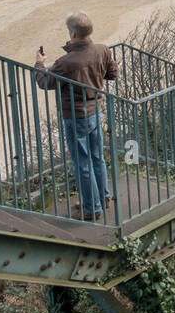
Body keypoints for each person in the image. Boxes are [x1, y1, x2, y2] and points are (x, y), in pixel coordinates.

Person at [35, 12, 118, 221]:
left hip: (76, 115)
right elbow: (112, 74)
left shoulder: (66, 62)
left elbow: (44, 82)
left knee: (82, 163)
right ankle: (103, 197)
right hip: (95, 110)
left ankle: (92, 209)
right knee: (97, 157)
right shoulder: (102, 50)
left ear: (72, 33)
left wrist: (39, 64)